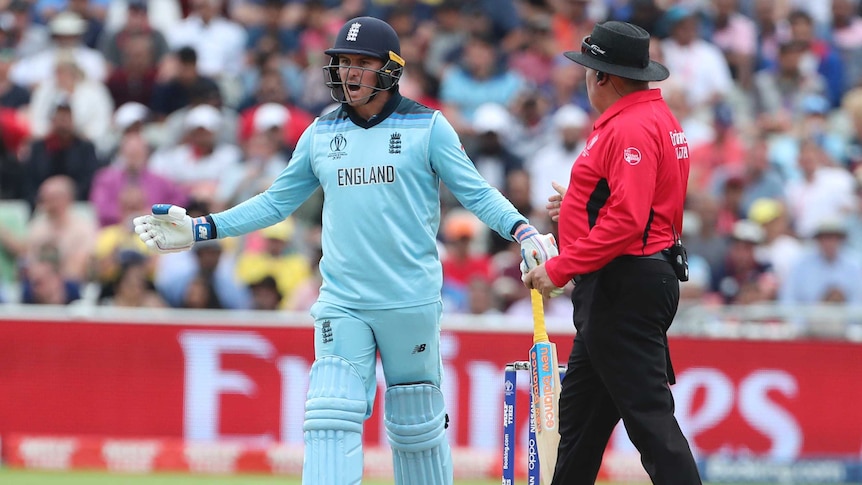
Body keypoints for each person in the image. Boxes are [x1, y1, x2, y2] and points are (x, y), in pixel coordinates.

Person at [133, 16, 556, 485]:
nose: (350, 73)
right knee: (329, 416)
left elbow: (476, 192)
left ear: (390, 70)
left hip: (408, 299)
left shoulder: (428, 126)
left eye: (362, 63)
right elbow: (276, 202)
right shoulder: (320, 132)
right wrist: (202, 227)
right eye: (343, 63)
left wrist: (522, 231)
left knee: (415, 424)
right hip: (343, 300)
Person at [522, 21, 701, 484]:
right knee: (579, 424)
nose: (585, 81)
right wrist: (579, 204)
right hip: (630, 282)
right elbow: (640, 204)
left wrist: (559, 268)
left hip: (623, 287)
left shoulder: (630, 127)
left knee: (650, 423)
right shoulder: (656, 119)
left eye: (587, 70)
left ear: (604, 77)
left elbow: (628, 220)